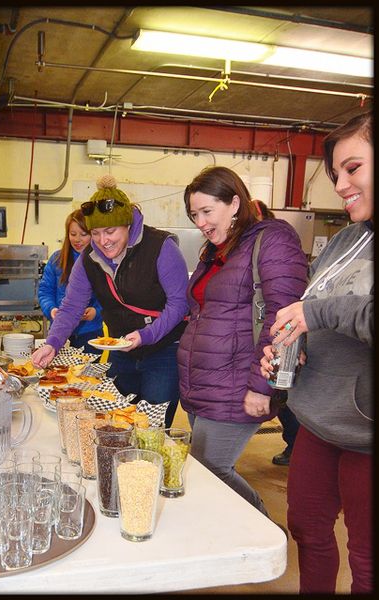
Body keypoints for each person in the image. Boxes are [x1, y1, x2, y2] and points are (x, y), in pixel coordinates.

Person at [260, 111, 373, 593]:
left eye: (353, 168)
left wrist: (318, 316)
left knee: (367, 559)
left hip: (366, 433)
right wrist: (291, 346)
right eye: (335, 175)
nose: (341, 184)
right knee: (306, 529)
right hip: (317, 420)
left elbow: (328, 311)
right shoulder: (345, 240)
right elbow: (312, 308)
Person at [177, 166, 308, 516]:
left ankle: (262, 534)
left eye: (207, 211)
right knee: (203, 469)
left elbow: (284, 320)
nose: (201, 222)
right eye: (194, 214)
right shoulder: (216, 250)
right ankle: (231, 541)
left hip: (238, 383)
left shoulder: (273, 239)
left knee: (213, 468)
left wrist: (262, 386)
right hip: (204, 384)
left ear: (235, 202)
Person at [31, 174, 190, 427]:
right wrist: (52, 343)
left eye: (110, 231)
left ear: (127, 224)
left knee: (152, 428)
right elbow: (72, 307)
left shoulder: (161, 248)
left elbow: (179, 304)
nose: (103, 241)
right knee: (118, 423)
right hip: (122, 351)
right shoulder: (88, 259)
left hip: (163, 350)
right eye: (95, 233)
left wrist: (146, 335)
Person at [252, 199, 301, 466]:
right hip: (269, 338)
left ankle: (295, 445)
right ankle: (294, 445)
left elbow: (283, 305)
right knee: (283, 400)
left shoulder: (275, 242)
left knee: (285, 397)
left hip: (282, 339)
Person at [38, 209, 103, 354]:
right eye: (73, 234)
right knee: (58, 375)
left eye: (83, 234)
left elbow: (109, 296)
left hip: (90, 334)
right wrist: (51, 309)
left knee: (87, 375)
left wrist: (96, 311)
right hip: (60, 333)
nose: (77, 239)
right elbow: (45, 291)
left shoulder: (101, 261)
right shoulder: (57, 259)